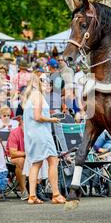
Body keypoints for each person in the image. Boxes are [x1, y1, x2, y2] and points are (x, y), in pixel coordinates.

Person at [21, 73, 64, 204]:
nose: (48, 85)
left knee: (36, 163)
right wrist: (53, 119)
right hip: (41, 134)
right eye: (46, 82)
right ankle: (56, 194)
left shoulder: (31, 96)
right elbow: (38, 117)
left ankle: (32, 196)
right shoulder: (38, 95)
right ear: (39, 83)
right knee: (53, 161)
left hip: (32, 134)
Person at [6, 118, 29, 200]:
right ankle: (23, 190)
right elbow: (13, 153)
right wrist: (27, 154)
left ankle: (38, 188)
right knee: (21, 160)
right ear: (21, 123)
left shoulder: (35, 132)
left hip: (30, 158)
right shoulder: (15, 133)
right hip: (14, 158)